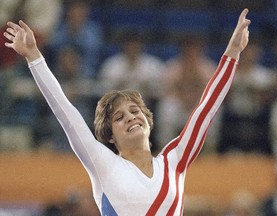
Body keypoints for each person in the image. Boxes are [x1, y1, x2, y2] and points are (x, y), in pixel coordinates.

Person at [3, 8, 250, 215]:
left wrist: (233, 53)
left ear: (148, 120)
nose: (131, 117)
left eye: (135, 111)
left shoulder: (174, 160)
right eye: (119, 117)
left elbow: (207, 107)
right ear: (110, 136)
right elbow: (65, 112)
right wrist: (34, 56)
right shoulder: (103, 163)